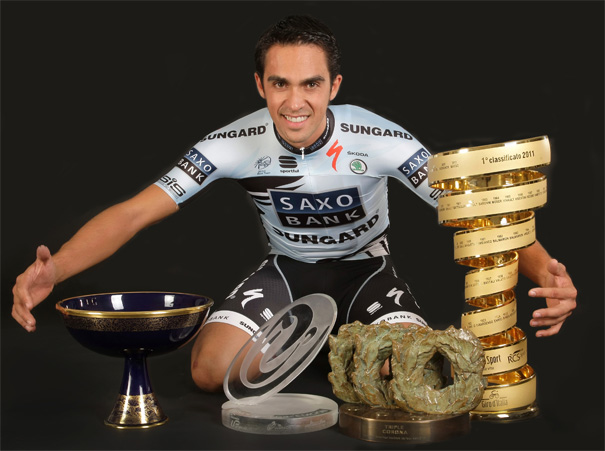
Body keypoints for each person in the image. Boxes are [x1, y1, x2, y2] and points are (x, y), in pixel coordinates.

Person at [12, 15, 577, 392]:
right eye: (280, 84)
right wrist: (55, 269)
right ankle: (338, 349)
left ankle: (348, 346)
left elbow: (473, 215)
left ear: (334, 86)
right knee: (210, 372)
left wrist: (547, 274)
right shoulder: (231, 143)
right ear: (261, 85)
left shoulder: (379, 138)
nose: (295, 102)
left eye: (310, 84)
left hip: (367, 272)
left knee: (405, 372)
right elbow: (136, 211)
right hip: (288, 272)